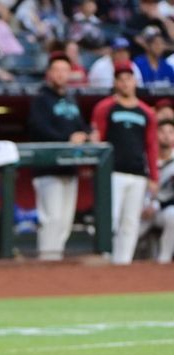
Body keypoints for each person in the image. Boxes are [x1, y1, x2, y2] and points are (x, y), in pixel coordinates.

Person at [28, 52, 94, 261]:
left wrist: (86, 134)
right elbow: (38, 129)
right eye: (56, 70)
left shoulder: (71, 99)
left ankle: (54, 259)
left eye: (65, 70)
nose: (60, 74)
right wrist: (68, 138)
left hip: (69, 169)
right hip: (47, 168)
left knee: (65, 222)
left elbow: (80, 126)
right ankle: (47, 261)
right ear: (49, 73)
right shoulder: (41, 99)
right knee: (52, 219)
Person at [91, 61, 159, 265]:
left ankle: (123, 264)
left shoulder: (146, 112)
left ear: (135, 82)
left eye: (129, 79)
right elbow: (99, 140)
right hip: (113, 172)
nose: (125, 83)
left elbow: (151, 146)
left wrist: (153, 177)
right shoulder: (105, 107)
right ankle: (104, 259)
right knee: (109, 219)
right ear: (115, 83)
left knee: (130, 223)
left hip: (137, 173)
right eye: (121, 79)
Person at [140, 118, 174, 263]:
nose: (166, 135)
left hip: (162, 209)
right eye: (162, 131)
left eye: (171, 132)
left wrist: (157, 204)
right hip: (141, 210)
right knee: (125, 231)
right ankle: (119, 264)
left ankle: (164, 261)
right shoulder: (143, 158)